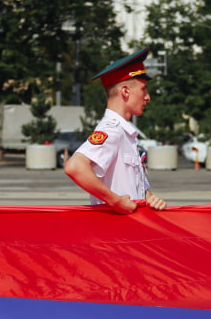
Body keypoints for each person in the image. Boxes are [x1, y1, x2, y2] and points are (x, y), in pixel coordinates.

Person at [64, 46, 169, 214]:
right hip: (115, 232)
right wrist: (115, 201)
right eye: (143, 89)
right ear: (126, 92)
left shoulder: (126, 134)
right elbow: (75, 167)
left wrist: (149, 197)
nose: (148, 97)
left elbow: (130, 184)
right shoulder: (112, 130)